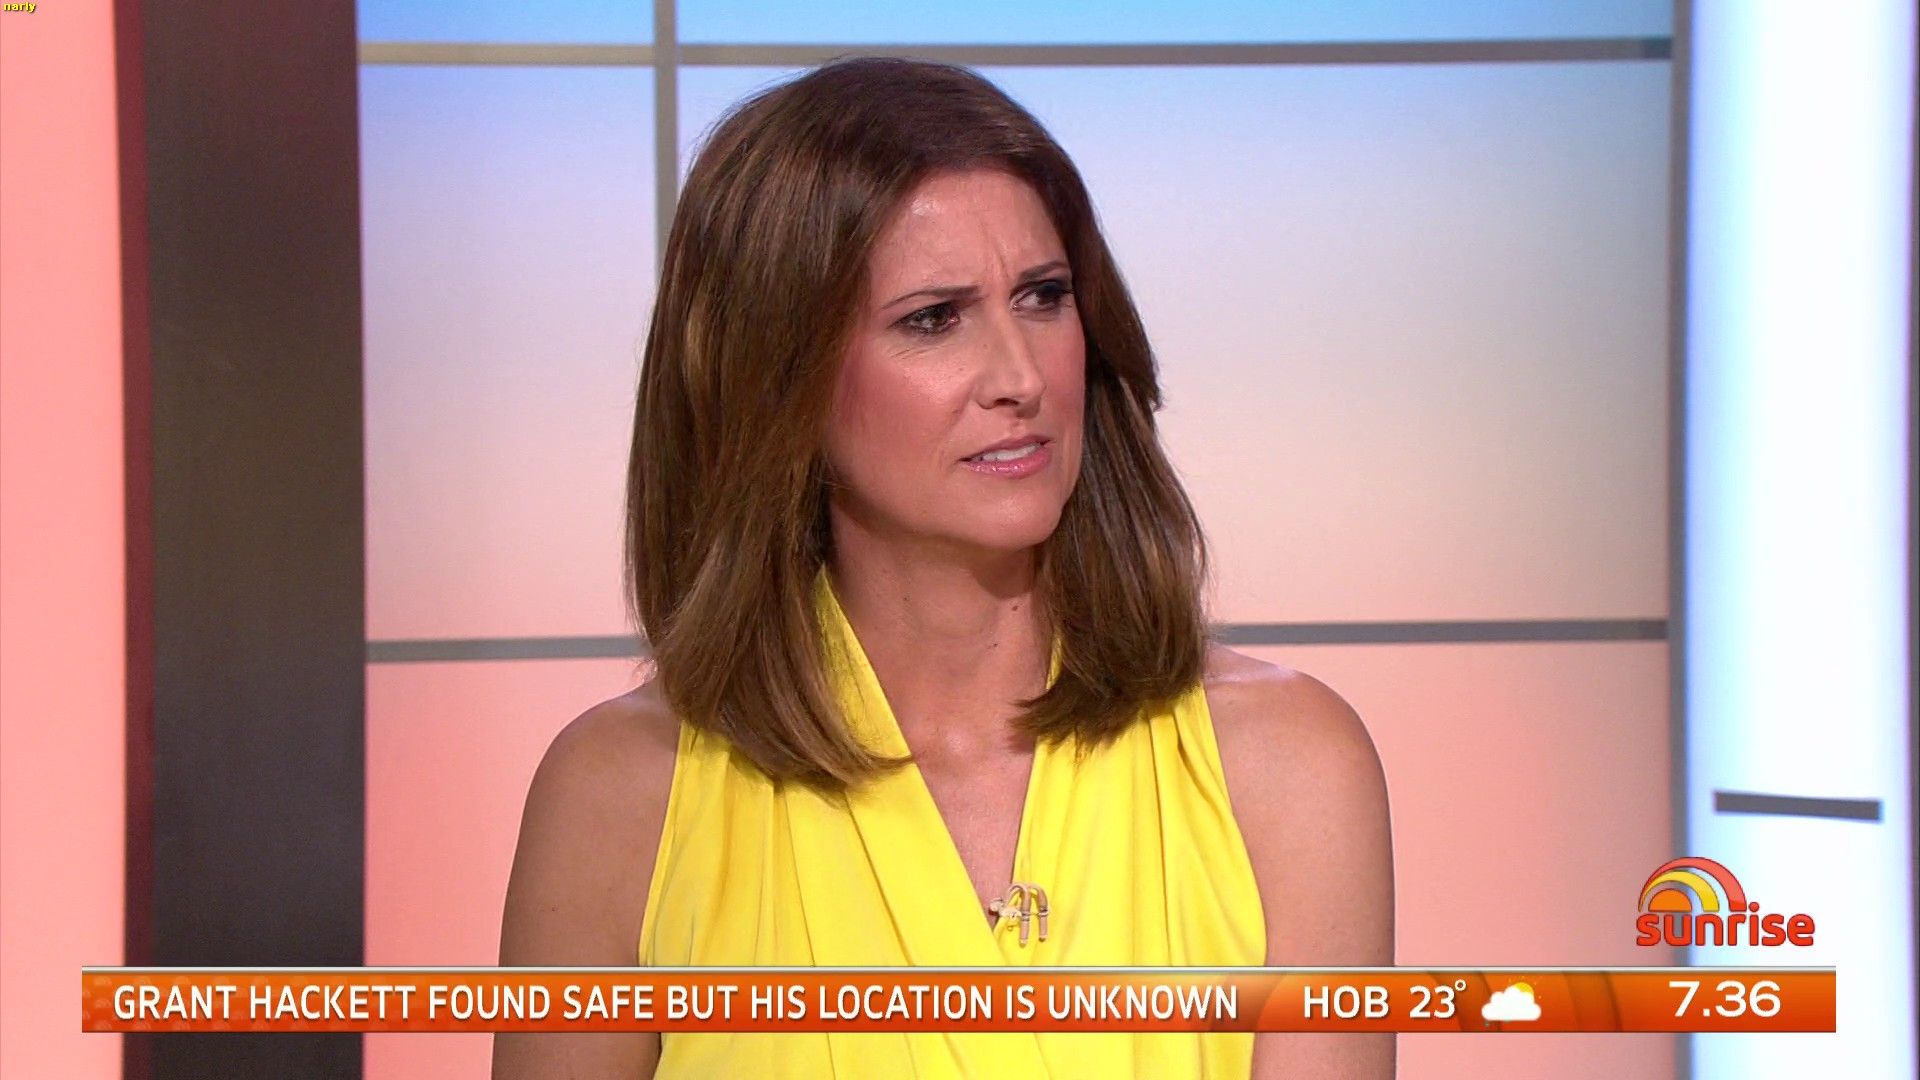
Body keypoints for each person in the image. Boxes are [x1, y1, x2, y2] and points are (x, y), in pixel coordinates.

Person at [494, 57, 1393, 1079]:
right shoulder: (621, 797)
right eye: (934, 318)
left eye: (1044, 297)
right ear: (774, 377)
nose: (1020, 377)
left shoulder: (1284, 768)